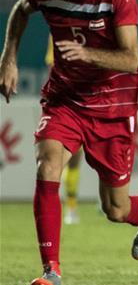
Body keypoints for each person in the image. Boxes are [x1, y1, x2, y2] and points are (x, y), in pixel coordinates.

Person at [0, 0, 138, 285]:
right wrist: (8, 57)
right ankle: (51, 271)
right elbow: (20, 10)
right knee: (48, 163)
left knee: (116, 209)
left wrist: (88, 54)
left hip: (112, 108)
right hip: (65, 100)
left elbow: (131, 59)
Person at [44, 36, 84, 225]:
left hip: (90, 103)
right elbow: (52, 66)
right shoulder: (58, 31)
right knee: (61, 158)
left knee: (79, 159)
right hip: (65, 104)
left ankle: (74, 205)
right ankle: (68, 206)